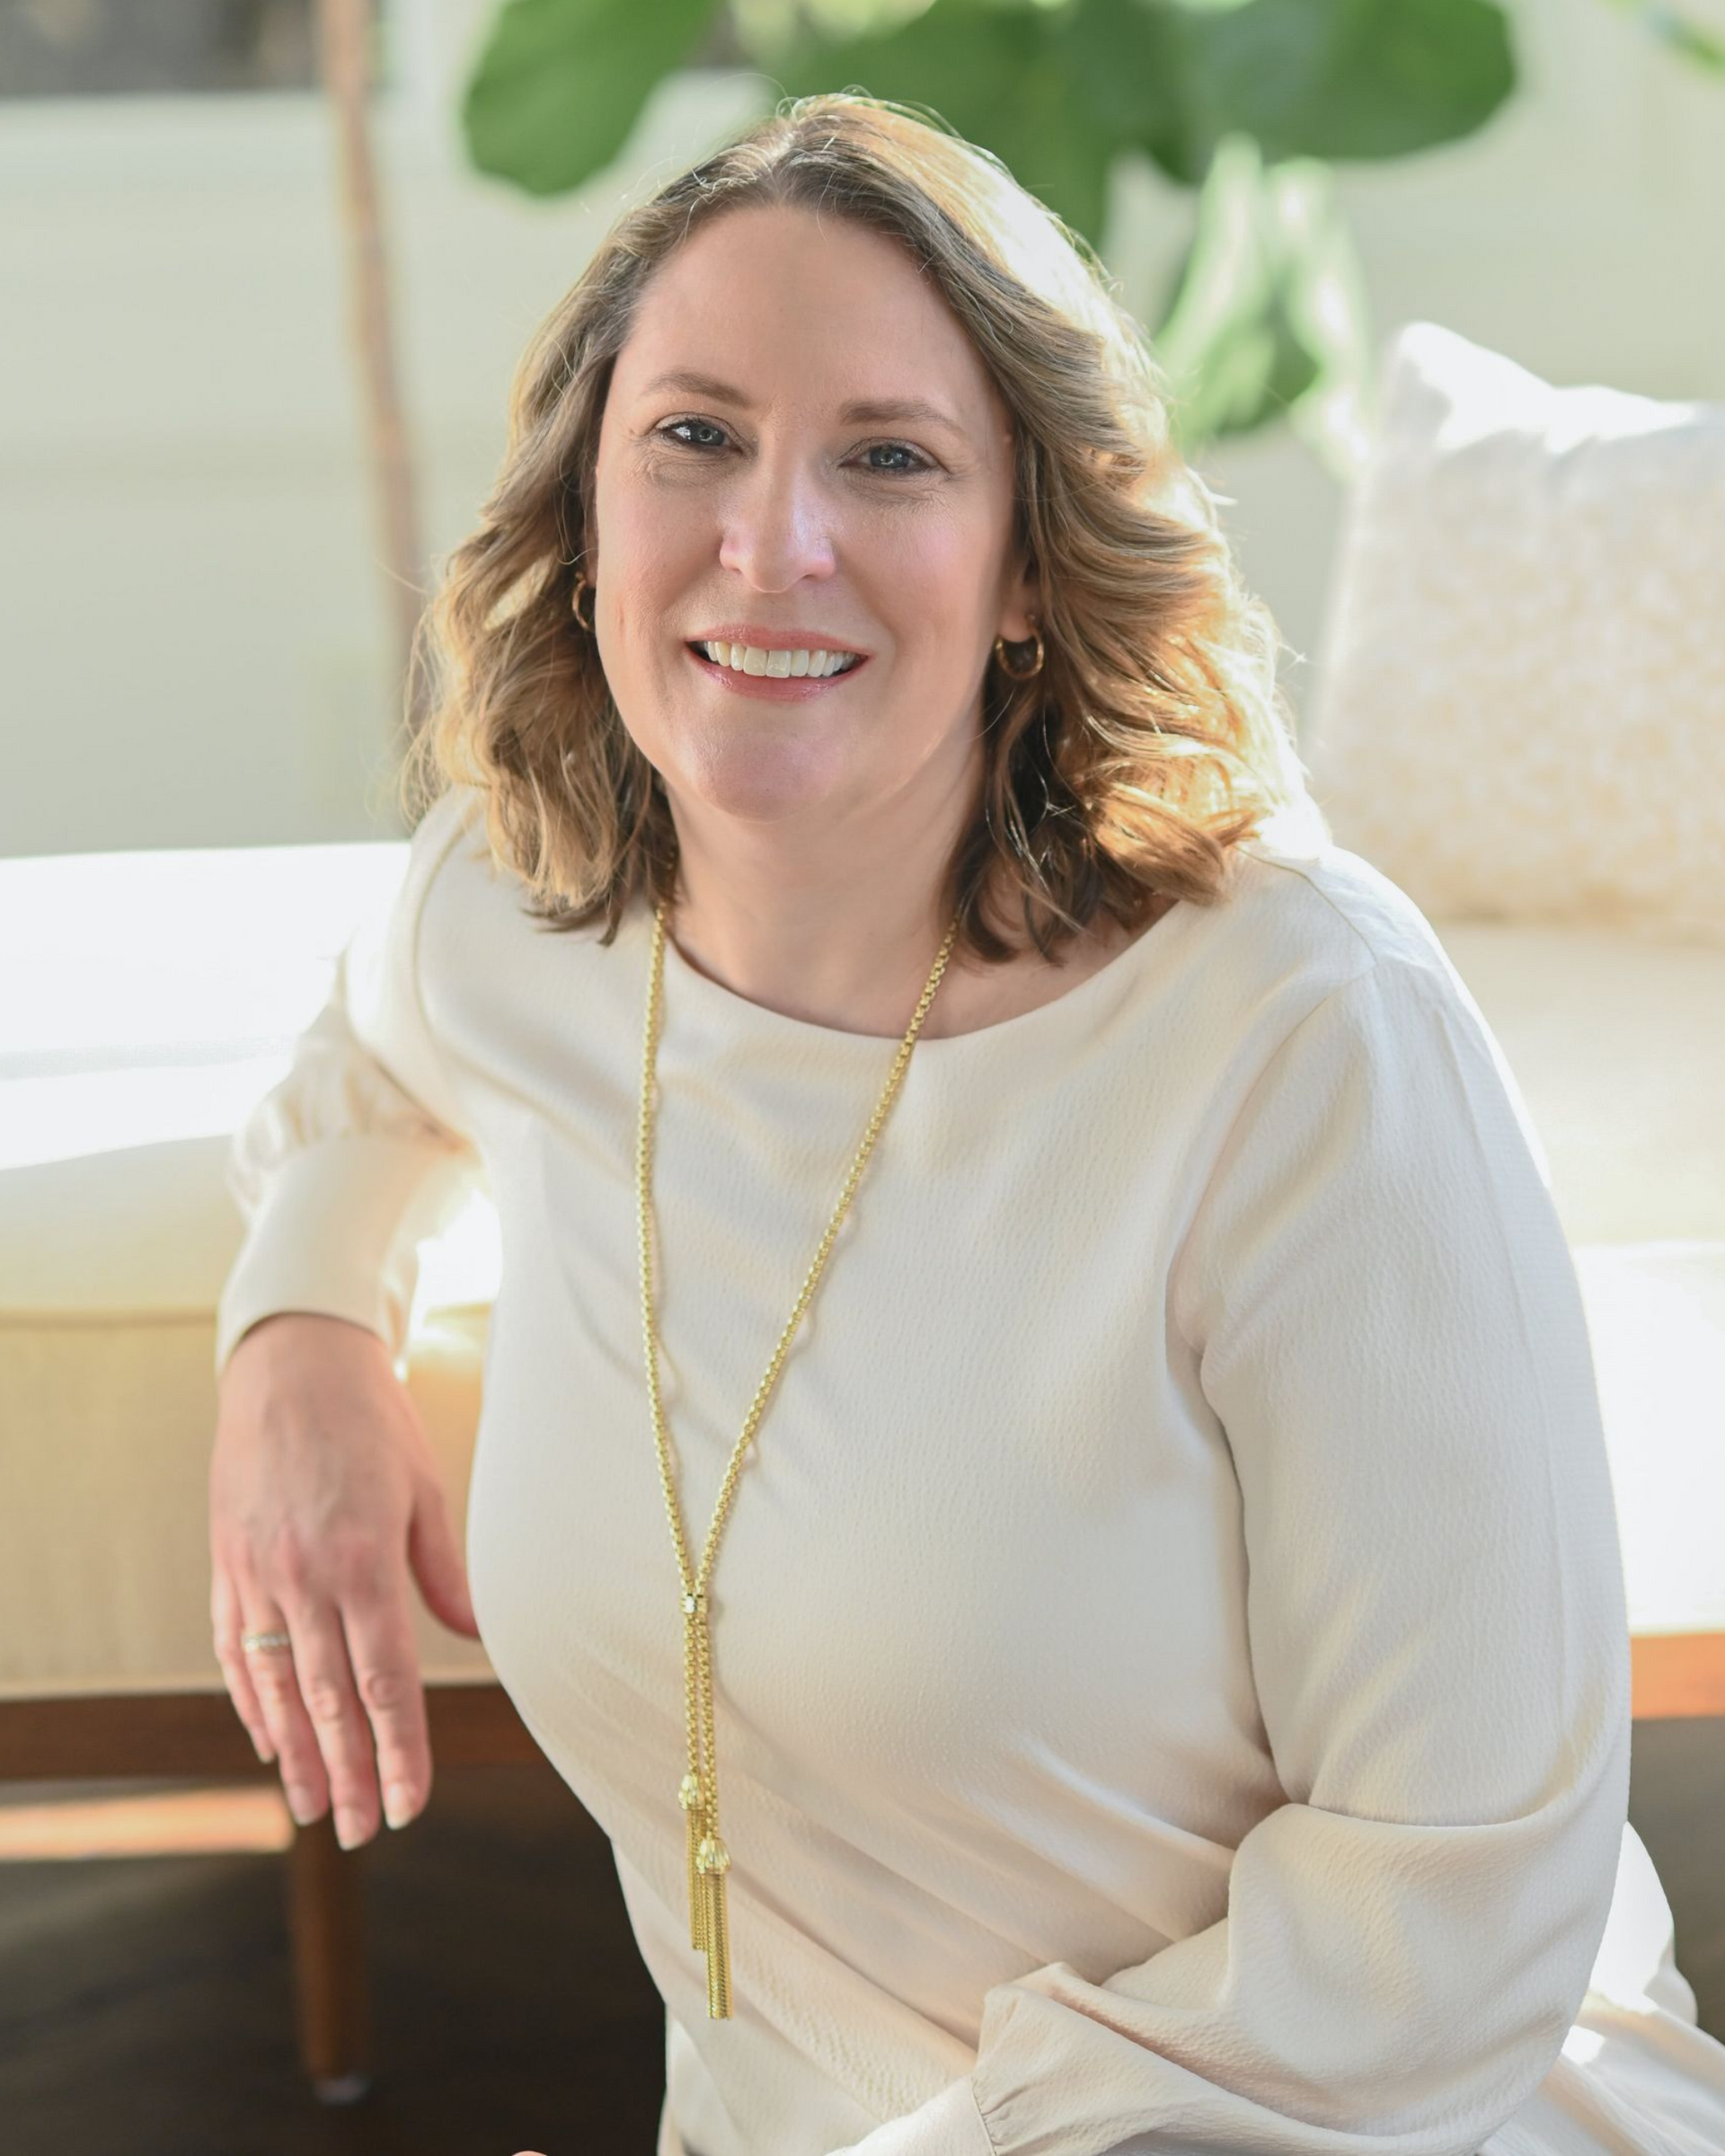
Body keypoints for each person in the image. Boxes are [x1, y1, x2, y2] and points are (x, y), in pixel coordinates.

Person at [208, 91, 1725, 2156]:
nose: (771, 542)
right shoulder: (527, 903)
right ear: (585, 512)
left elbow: (1459, 1916)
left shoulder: (1295, 1032)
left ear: (1027, 566)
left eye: (890, 459)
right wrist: (299, 1330)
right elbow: (363, 1054)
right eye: (695, 437)